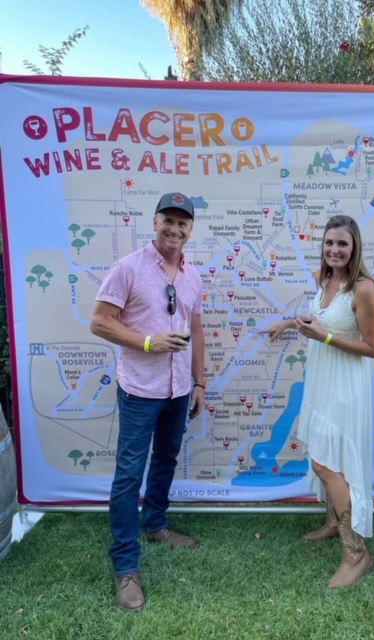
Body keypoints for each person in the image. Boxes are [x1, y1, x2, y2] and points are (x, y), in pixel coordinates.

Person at [90, 192, 206, 611]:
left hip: (178, 392)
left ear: (191, 229)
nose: (175, 229)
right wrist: (145, 341)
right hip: (140, 389)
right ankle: (125, 567)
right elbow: (99, 321)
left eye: (183, 223)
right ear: (154, 222)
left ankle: (155, 524)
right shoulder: (129, 269)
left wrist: (199, 383)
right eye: (168, 221)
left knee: (166, 460)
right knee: (127, 475)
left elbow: (196, 328)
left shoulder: (193, 276)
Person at [261, 214, 374, 589]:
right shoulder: (324, 278)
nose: (334, 250)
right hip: (322, 380)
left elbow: (371, 347)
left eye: (342, 244)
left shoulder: (363, 289)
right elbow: (319, 319)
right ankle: (333, 522)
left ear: (354, 247)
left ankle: (356, 553)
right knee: (324, 458)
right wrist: (288, 324)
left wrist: (325, 338)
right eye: (329, 243)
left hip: (345, 385)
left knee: (327, 463)